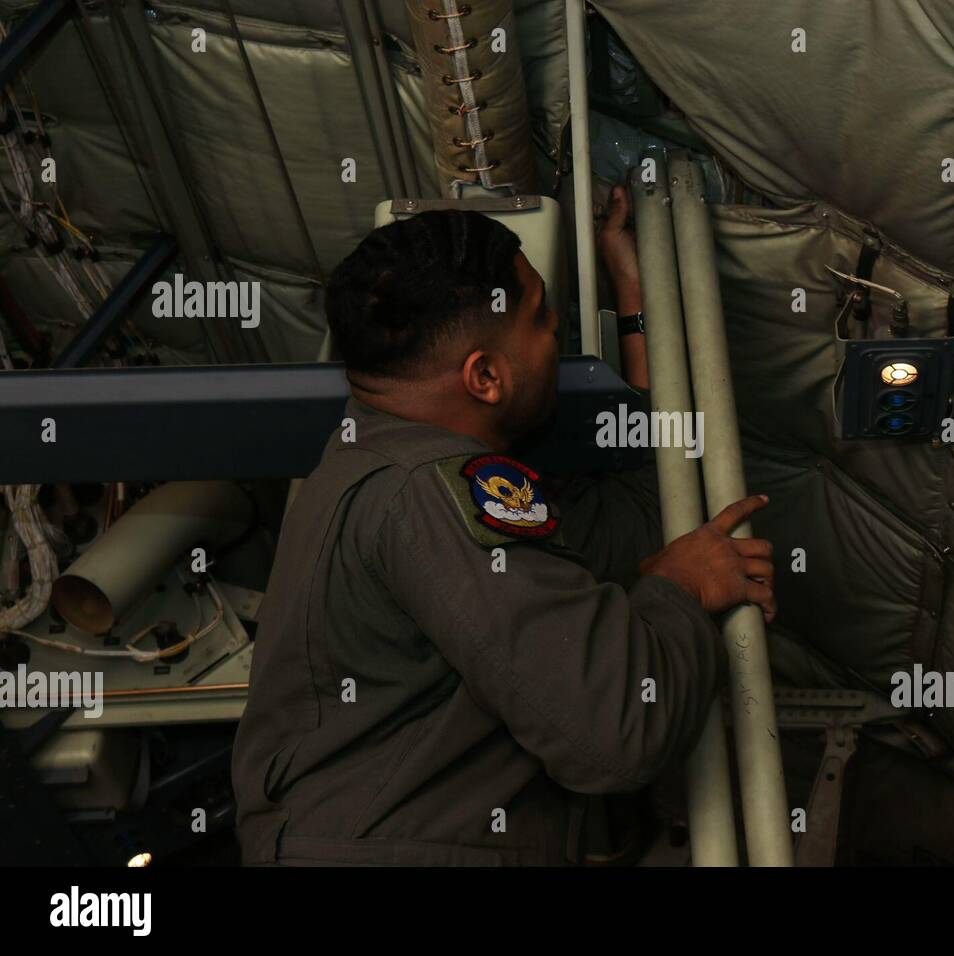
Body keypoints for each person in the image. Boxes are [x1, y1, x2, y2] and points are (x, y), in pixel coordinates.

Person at [230, 187, 776, 865]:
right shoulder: (436, 494)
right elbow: (614, 732)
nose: (556, 336)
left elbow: (641, 516)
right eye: (544, 317)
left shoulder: (391, 467)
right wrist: (682, 593)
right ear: (484, 375)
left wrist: (633, 290)